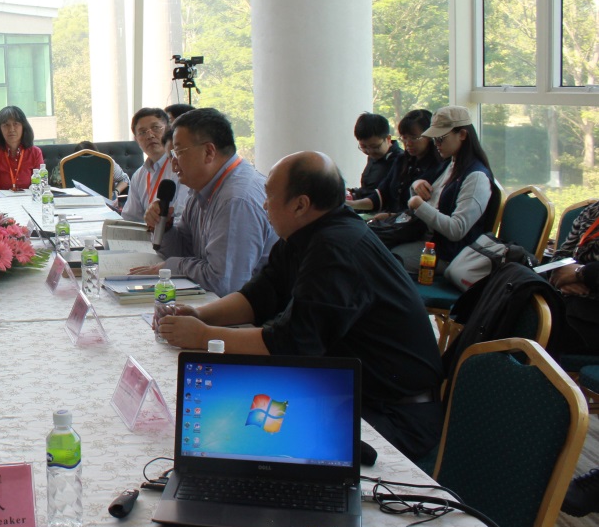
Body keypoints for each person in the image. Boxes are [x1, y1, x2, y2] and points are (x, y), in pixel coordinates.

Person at [152, 152, 444, 462]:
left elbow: (290, 343)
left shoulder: (336, 248)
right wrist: (200, 315)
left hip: (392, 415)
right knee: (218, 418)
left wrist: (203, 336)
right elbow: (259, 296)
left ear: (300, 205)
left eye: (269, 196)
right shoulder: (305, 235)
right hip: (341, 392)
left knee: (241, 443)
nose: (264, 205)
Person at [130, 108, 276, 298]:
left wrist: (173, 266)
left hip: (251, 312)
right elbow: (186, 250)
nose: (173, 165)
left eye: (178, 153)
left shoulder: (236, 200)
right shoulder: (201, 189)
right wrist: (165, 228)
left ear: (209, 152)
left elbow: (224, 284)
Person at [397, 105, 500, 273]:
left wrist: (419, 205)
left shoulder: (476, 177)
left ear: (462, 135)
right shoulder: (449, 164)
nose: (436, 144)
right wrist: (416, 185)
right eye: (434, 139)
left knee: (385, 259)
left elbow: (457, 230)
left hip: (451, 255)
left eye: (441, 139)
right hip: (431, 243)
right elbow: (427, 195)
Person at [347, 109, 445, 218]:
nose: (408, 143)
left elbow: (428, 210)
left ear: (430, 136)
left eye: (414, 138)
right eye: (404, 138)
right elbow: (381, 195)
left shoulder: (439, 167)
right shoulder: (402, 161)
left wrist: (392, 216)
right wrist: (349, 204)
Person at [543, 200, 599, 358]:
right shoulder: (592, 211)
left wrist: (579, 273)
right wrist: (559, 276)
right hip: (572, 303)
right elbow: (561, 255)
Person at [120, 107, 185, 223]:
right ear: (136, 140)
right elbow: (130, 218)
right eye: (142, 132)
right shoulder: (139, 176)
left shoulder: (181, 168)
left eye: (155, 128)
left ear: (168, 130)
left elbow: (184, 218)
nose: (150, 135)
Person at [0, 106, 44, 191]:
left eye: (16, 124)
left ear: (23, 126)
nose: (11, 129)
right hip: (1, 199)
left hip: (30, 198)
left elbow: (39, 188)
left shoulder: (35, 153)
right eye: (6, 125)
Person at [347, 112, 402, 202]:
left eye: (375, 147)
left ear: (388, 139)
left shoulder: (400, 161)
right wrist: (353, 193)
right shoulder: (374, 156)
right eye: (364, 147)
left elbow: (386, 197)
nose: (370, 152)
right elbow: (368, 189)